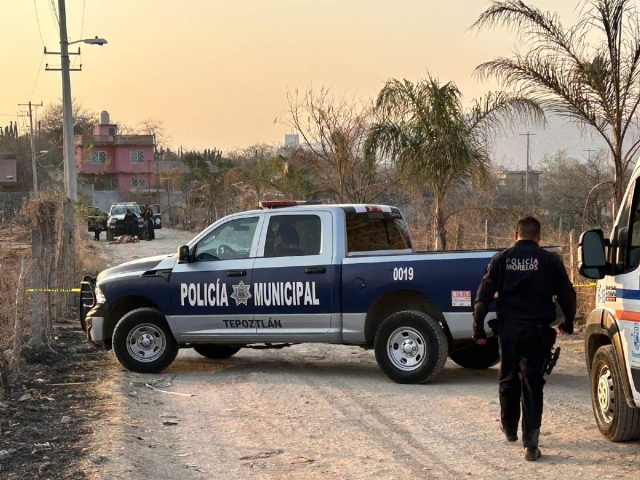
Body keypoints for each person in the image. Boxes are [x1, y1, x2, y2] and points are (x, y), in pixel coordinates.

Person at [472, 216, 576, 462]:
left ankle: (509, 429)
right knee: (532, 384)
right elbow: (567, 295)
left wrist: (477, 326)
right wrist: (568, 322)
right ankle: (531, 444)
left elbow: (484, 294)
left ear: (515, 235)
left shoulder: (502, 258)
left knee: (508, 378)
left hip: (509, 331)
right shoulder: (550, 261)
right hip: (537, 332)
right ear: (538, 237)